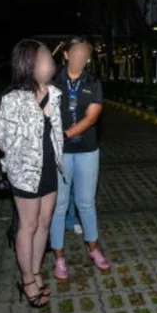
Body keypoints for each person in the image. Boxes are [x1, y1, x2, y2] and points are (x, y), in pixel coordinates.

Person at [0, 39, 63, 307]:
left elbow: (56, 133)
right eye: (45, 57)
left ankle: (36, 270)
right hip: (25, 171)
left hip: (49, 166)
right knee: (29, 225)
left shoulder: (55, 93)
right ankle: (26, 279)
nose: (51, 62)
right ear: (30, 64)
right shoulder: (12, 99)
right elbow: (4, 140)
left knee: (45, 222)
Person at [49, 36, 109, 279]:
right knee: (60, 205)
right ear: (66, 54)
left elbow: (92, 117)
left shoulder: (93, 82)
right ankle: (59, 258)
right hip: (59, 152)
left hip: (87, 150)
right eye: (76, 52)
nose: (81, 56)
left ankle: (93, 249)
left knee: (86, 202)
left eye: (85, 53)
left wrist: (64, 134)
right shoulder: (53, 81)